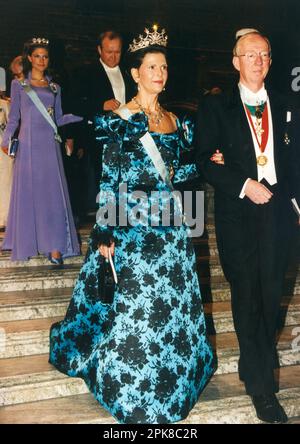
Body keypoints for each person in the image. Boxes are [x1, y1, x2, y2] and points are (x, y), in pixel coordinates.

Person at [49, 27, 215, 424]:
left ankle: (173, 381)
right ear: (136, 73)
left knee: (171, 308)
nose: (160, 73)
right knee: (138, 309)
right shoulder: (121, 120)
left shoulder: (176, 120)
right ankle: (133, 388)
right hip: (134, 225)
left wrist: (211, 165)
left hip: (172, 227)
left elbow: (184, 173)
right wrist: (106, 231)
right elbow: (111, 177)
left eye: (164, 67)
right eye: (152, 66)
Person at [195, 28, 300, 424]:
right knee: (247, 295)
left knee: (272, 295)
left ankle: (253, 357)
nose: (258, 60)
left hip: (277, 212)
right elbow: (203, 161)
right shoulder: (215, 107)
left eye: (264, 54)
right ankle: (262, 389)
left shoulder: (289, 104)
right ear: (235, 61)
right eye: (250, 54)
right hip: (238, 213)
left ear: (270, 62)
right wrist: (242, 184)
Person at [1, 37, 82, 263]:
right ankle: (29, 242)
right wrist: (6, 140)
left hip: (49, 144)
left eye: (45, 56)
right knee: (30, 194)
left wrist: (80, 117)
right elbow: (14, 117)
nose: (41, 60)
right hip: (28, 145)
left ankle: (55, 247)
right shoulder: (19, 85)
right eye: (37, 56)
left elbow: (58, 118)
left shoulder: (55, 87)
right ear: (29, 58)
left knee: (52, 195)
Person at [71, 30, 133, 215]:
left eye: (117, 52)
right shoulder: (86, 73)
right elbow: (74, 104)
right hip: (100, 138)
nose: (113, 56)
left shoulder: (130, 72)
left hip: (127, 135)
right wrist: (101, 105)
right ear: (99, 50)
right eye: (109, 52)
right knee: (104, 181)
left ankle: (124, 216)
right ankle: (105, 220)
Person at [0, 95, 13, 231]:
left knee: (5, 181)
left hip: (3, 148)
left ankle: (5, 218)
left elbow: (12, 125)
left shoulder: (5, 104)